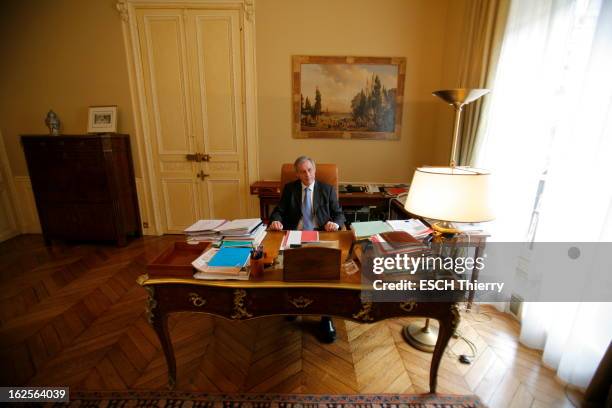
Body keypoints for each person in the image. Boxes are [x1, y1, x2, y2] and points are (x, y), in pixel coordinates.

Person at [269, 156, 345, 343]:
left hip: (321, 235)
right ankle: (294, 306)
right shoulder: (290, 189)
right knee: (292, 270)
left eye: (310, 170)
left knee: (324, 274)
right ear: (297, 173)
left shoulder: (326, 190)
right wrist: (276, 220)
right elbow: (279, 210)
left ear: (315, 170)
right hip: (296, 234)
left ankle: (326, 317)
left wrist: (334, 223)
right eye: (302, 171)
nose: (307, 174)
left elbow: (339, 214)